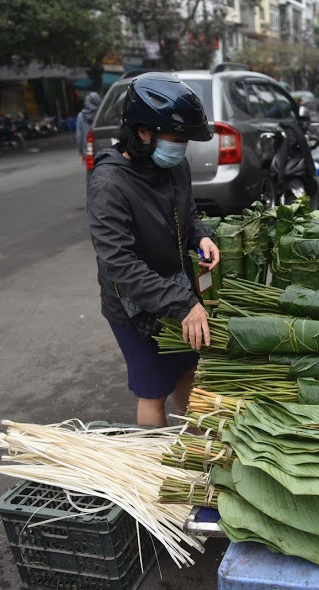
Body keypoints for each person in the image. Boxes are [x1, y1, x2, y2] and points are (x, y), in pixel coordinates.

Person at [86, 72, 221, 427]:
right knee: (153, 389)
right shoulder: (108, 184)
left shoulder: (174, 166)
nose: (181, 147)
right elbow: (120, 265)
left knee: (187, 369)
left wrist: (202, 236)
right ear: (144, 131)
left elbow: (187, 213)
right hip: (134, 304)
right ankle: (157, 472)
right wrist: (185, 305)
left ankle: (195, 446)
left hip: (175, 289)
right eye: (175, 138)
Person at [76, 92, 102, 158]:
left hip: (89, 148)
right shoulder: (102, 114)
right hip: (103, 146)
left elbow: (79, 136)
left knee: (91, 167)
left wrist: (81, 152)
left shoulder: (80, 116)